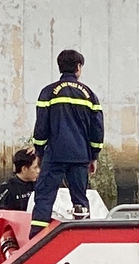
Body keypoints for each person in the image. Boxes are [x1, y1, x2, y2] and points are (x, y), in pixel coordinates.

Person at [29, 49, 104, 231]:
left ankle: (37, 239)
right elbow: (97, 131)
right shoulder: (89, 95)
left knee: (45, 197)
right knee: (80, 199)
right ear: (78, 67)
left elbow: (41, 128)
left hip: (54, 155)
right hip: (80, 157)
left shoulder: (48, 93)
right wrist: (93, 156)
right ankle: (83, 236)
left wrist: (39, 153)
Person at [0, 146, 41, 212]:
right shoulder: (8, 187)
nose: (38, 171)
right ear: (24, 169)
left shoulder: (39, 184)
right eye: (35, 168)